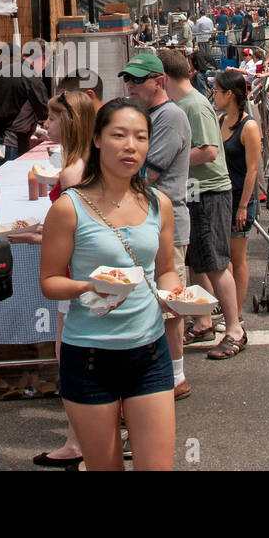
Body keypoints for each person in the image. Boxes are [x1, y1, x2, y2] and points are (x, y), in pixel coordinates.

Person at [39, 98, 180, 470]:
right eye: (119, 135)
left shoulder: (158, 204)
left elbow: (166, 269)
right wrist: (87, 287)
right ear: (98, 139)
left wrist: (174, 295)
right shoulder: (69, 207)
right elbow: (50, 283)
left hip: (149, 352)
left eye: (140, 137)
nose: (130, 146)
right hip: (88, 356)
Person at [160, 50, 245, 360]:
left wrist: (172, 161)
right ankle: (204, 320)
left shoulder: (194, 105)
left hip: (210, 192)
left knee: (216, 263)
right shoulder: (181, 105)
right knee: (196, 261)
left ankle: (234, 328)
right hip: (193, 192)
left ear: (164, 78)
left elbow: (209, 151)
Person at [120, 52, 193, 400]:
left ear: (159, 81)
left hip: (167, 221)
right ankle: (163, 373)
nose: (130, 86)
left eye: (137, 80)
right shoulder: (151, 116)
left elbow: (149, 173)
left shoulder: (170, 117)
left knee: (170, 303)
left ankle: (176, 376)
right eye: (128, 80)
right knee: (156, 302)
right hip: (149, 220)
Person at [32, 86, 97, 469]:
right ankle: (79, 439)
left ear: (69, 122)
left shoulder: (74, 170)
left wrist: (38, 235)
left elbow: (77, 231)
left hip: (72, 275)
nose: (47, 122)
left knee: (70, 356)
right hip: (78, 272)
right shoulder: (82, 163)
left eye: (53, 117)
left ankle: (80, 442)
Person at [212, 69, 261, 317]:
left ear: (229, 94)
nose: (214, 95)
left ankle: (237, 311)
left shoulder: (249, 126)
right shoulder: (220, 121)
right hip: (222, 196)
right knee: (224, 257)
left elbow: (253, 170)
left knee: (237, 257)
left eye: (217, 91)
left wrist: (243, 206)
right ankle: (229, 306)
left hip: (241, 197)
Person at [0, 42, 49, 162]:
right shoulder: (32, 79)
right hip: (12, 143)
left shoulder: (3, 71)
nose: (45, 67)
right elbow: (45, 113)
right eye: (47, 62)